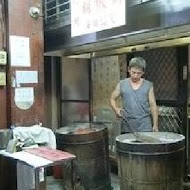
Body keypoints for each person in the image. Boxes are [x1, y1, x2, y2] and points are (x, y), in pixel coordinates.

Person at [110, 57, 158, 134]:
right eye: (133, 72)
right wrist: (116, 109)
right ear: (128, 70)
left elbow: (153, 105)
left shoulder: (148, 85)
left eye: (139, 73)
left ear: (143, 72)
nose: (135, 76)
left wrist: (155, 125)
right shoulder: (122, 84)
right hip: (127, 126)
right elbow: (112, 99)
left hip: (144, 126)